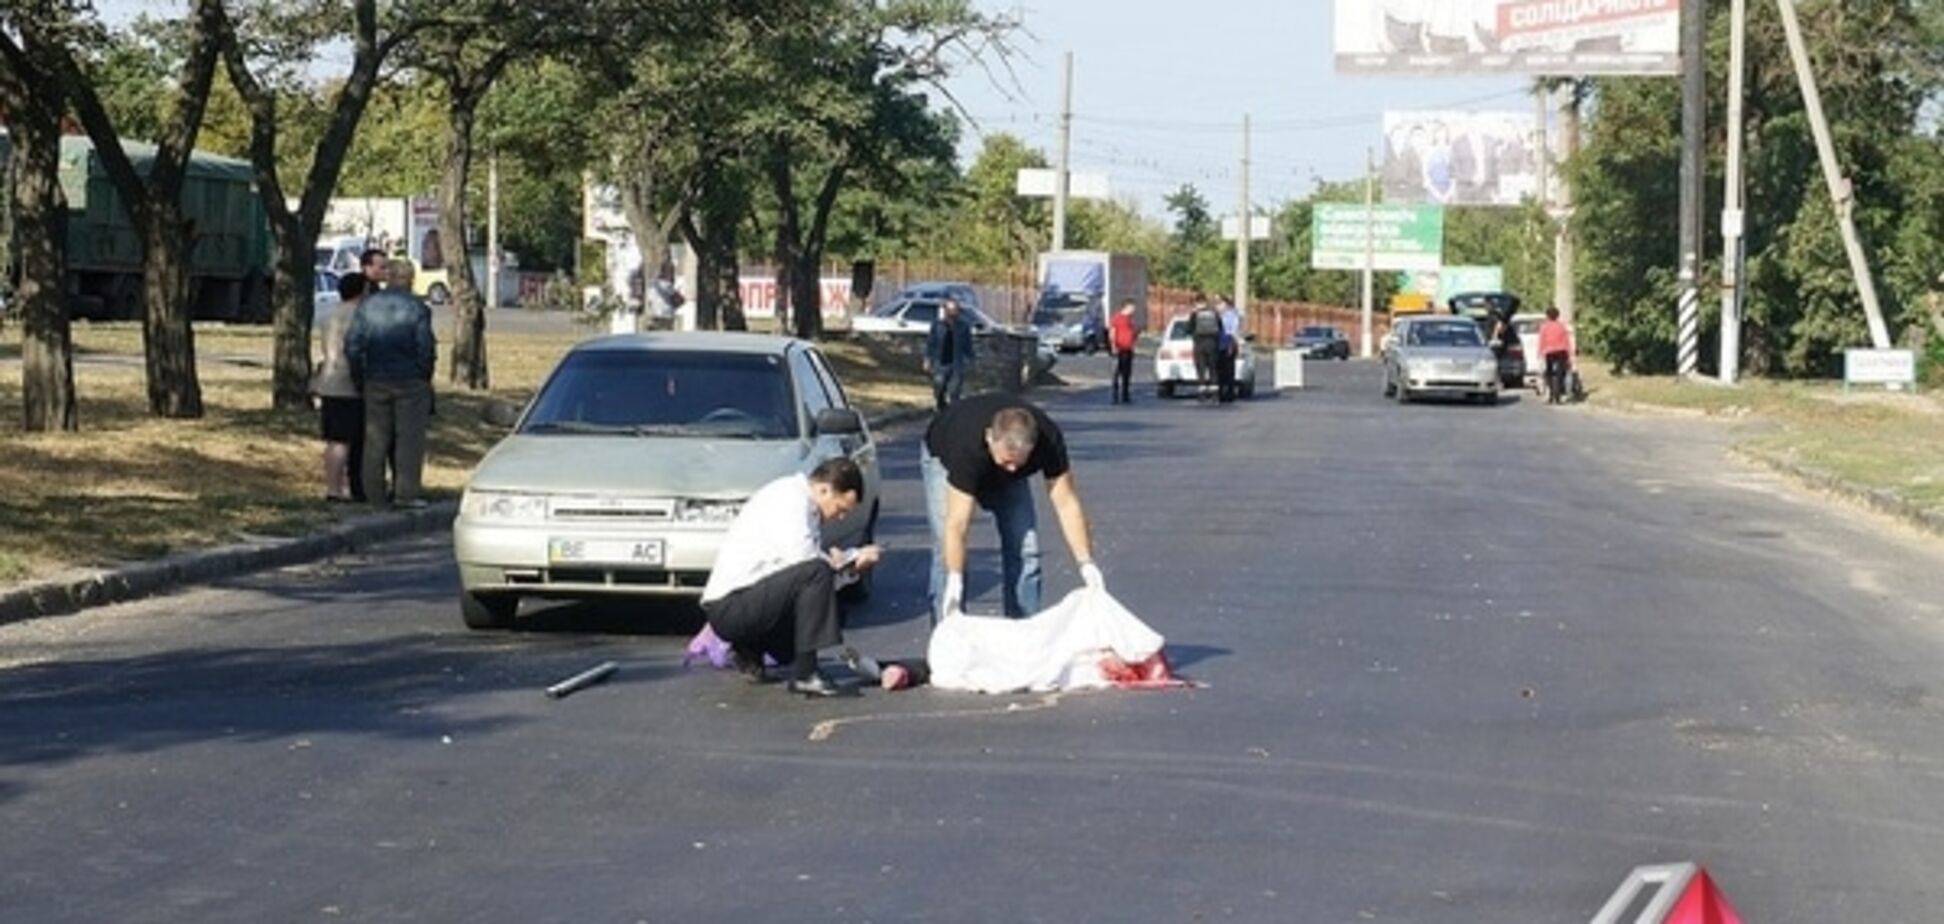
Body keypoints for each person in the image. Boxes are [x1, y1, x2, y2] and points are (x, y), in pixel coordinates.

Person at [701, 458, 881, 698]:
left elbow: (796, 574)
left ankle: (750, 649)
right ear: (824, 490)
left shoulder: (804, 504)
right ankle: (806, 674)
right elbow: (804, 565)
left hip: (745, 599)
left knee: (833, 608)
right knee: (817, 573)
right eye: (840, 509)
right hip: (730, 606)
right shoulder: (792, 501)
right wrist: (848, 559)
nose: (839, 518)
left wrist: (847, 567)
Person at [922, 393, 1101, 623]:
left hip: (998, 468)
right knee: (946, 552)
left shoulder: (1048, 440)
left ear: (1033, 446)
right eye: (1006, 461)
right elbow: (957, 525)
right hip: (943, 456)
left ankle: (1023, 628)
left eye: (1019, 462)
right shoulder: (967, 450)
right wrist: (955, 582)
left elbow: (1066, 503)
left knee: (1026, 550)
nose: (1012, 469)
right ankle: (947, 628)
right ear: (990, 438)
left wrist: (1086, 564)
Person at [346, 259, 436, 508]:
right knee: (409, 438)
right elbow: (425, 346)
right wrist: (424, 374)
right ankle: (406, 493)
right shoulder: (418, 307)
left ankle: (373, 493)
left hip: (375, 377)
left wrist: (359, 375)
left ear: (389, 278)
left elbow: (353, 344)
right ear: (410, 280)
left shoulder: (368, 305)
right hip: (410, 379)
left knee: (375, 438)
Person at [311, 272, 368, 503]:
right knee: (349, 440)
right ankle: (348, 487)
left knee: (334, 438)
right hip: (349, 384)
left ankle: (333, 486)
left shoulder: (330, 315)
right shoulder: (360, 316)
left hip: (328, 380)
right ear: (362, 291)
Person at [924, 297, 976, 410]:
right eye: (950, 310)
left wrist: (971, 359)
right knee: (939, 386)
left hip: (957, 363)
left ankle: (953, 412)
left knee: (954, 390)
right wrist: (927, 359)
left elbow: (968, 344)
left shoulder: (963, 326)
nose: (952, 313)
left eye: (955, 310)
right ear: (945, 310)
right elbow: (931, 343)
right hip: (941, 362)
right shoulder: (937, 325)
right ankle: (941, 407)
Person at [1186, 293, 1223, 402]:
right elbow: (1220, 328)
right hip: (1213, 344)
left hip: (1199, 345)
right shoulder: (1214, 313)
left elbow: (1189, 329)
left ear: (1197, 302)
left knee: (1201, 369)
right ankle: (1215, 394)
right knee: (1213, 369)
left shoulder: (1195, 314)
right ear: (1205, 302)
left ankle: (1202, 394)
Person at [1538, 306, 1574, 404]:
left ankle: (1551, 393)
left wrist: (1540, 353)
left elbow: (1542, 340)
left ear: (1547, 316)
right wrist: (1570, 354)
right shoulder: (1561, 326)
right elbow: (1566, 341)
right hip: (1561, 351)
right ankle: (1558, 395)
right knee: (1560, 373)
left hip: (1549, 352)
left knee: (1549, 373)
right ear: (1557, 316)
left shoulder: (1544, 327)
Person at [1108, 299, 1138, 404]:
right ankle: (1115, 395)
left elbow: (1132, 333)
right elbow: (1112, 332)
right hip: (1119, 348)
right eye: (1132, 308)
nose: (1133, 310)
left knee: (1127, 373)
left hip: (1128, 349)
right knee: (1117, 372)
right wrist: (1113, 346)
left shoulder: (1130, 319)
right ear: (1127, 307)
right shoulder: (1117, 318)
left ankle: (1125, 395)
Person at [1216, 294, 1242, 403]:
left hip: (1229, 343)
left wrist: (1235, 345)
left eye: (1219, 303)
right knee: (1220, 370)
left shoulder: (1232, 315)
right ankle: (1221, 392)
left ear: (1225, 304)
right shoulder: (1217, 315)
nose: (1217, 306)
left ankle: (1230, 392)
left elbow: (1234, 331)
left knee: (1229, 369)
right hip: (1219, 344)